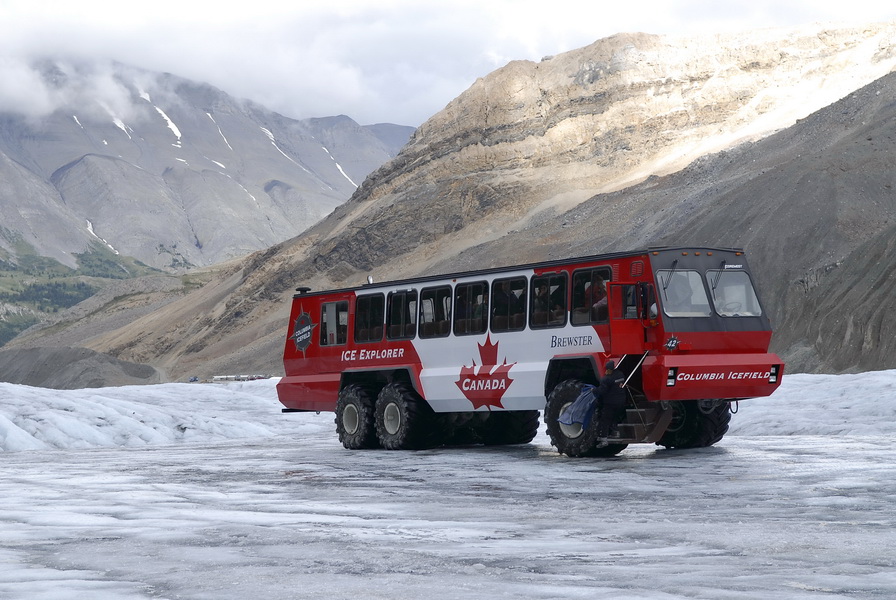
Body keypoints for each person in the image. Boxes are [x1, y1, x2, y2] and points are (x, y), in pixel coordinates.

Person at [594, 360, 627, 447]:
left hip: (610, 403)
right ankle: (616, 433)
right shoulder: (621, 375)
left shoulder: (606, 378)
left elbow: (602, 391)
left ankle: (603, 439)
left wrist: (593, 390)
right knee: (615, 418)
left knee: (605, 420)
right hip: (621, 402)